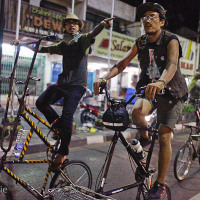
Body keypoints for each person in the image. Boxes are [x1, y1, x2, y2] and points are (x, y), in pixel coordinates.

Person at [93, 2, 188, 199]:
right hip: (150, 90)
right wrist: (104, 78)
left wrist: (161, 82)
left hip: (171, 92)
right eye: (144, 18)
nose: (147, 21)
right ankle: (144, 139)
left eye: (153, 16)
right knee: (136, 112)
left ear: (161, 21)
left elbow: (172, 64)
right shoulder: (141, 42)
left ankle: (160, 184)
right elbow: (122, 64)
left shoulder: (171, 39)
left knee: (164, 135)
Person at [35, 13, 114, 170]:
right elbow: (46, 49)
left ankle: (62, 153)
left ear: (79, 27)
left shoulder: (82, 40)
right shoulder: (63, 44)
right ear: (64, 27)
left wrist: (102, 25)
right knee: (40, 102)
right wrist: (29, 46)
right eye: (69, 23)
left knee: (67, 115)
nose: (72, 25)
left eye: (75, 23)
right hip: (62, 83)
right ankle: (57, 124)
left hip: (77, 86)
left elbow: (92, 34)